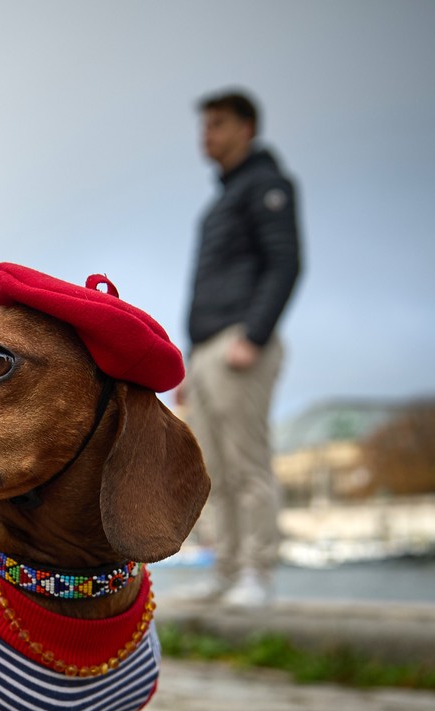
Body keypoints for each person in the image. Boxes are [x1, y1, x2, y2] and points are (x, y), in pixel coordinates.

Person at [180, 88, 301, 609]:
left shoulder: (268, 186)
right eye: (205, 124)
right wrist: (188, 359)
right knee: (213, 469)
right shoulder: (220, 201)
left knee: (247, 461)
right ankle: (227, 570)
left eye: (218, 124)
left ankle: (257, 571)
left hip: (239, 344)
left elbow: (285, 262)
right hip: (206, 349)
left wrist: (254, 335)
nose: (207, 134)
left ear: (246, 128)